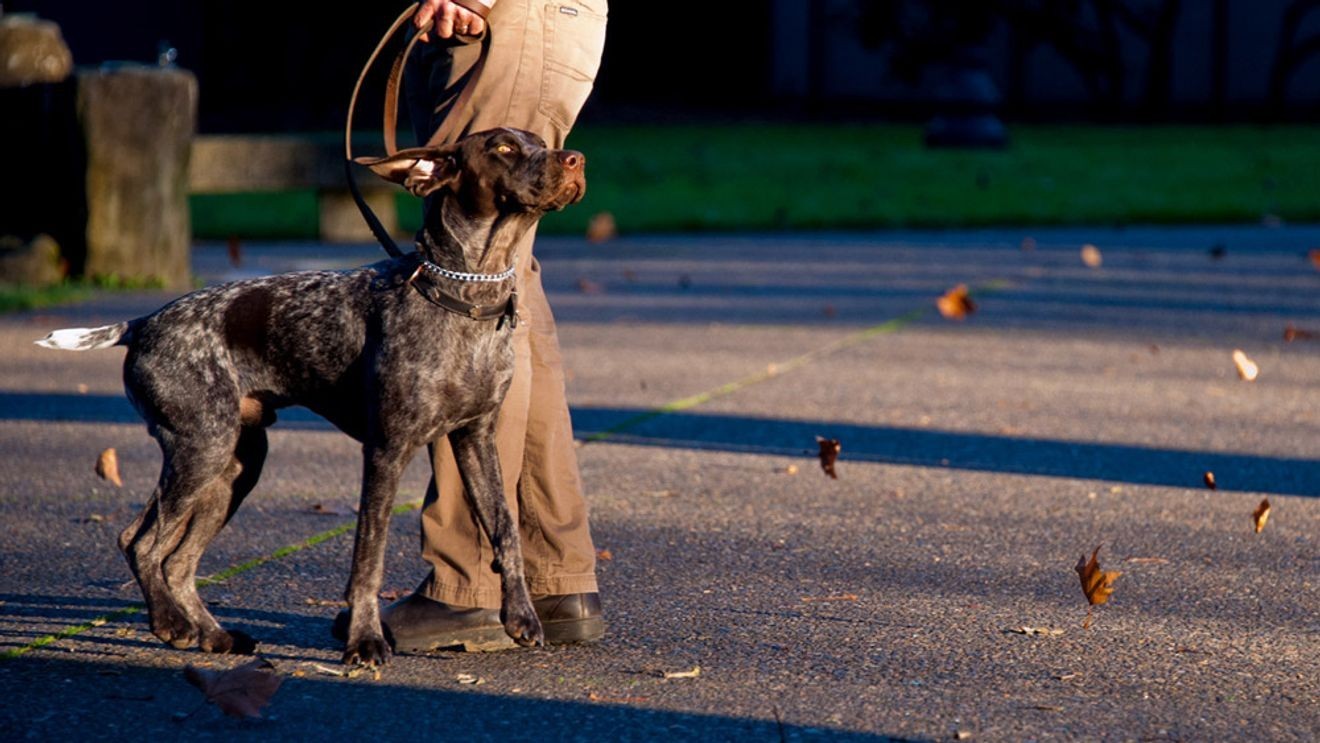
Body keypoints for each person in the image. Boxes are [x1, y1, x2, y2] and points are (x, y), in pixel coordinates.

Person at [371, 0, 609, 652]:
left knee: (469, 282)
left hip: (502, 22)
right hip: (528, 25)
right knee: (506, 283)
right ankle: (550, 578)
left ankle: (470, 582)